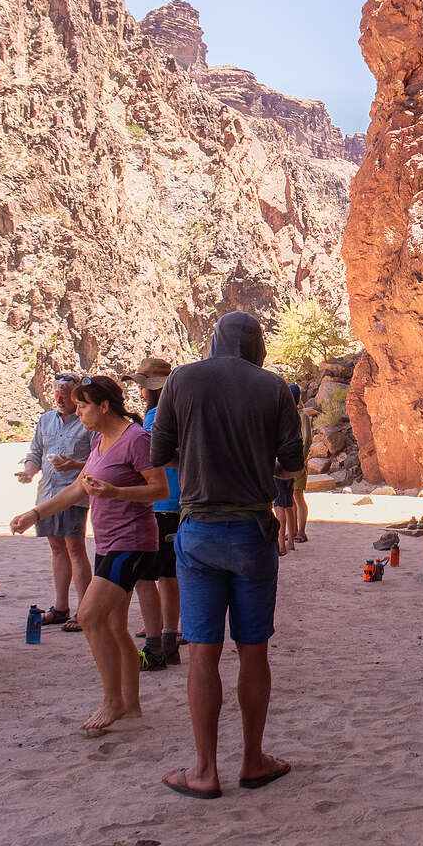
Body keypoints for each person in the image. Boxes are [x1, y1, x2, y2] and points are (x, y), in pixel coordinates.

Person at [150, 311, 303, 799]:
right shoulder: (274, 387)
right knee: (253, 650)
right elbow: (293, 465)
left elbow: (160, 453)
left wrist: (197, 457)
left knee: (202, 653)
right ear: (256, 344)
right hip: (254, 530)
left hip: (198, 531)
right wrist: (256, 461)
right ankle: (254, 760)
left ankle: (204, 770)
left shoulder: (182, 380)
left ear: (214, 341)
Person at [10, 376, 167, 732]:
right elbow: (80, 487)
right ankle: (131, 704)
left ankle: (112, 701)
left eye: (83, 406)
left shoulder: (136, 440)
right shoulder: (99, 439)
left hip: (134, 542)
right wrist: (35, 513)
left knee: (89, 616)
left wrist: (115, 492)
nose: (78, 412)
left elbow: (159, 488)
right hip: (108, 542)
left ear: (104, 406)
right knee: (114, 626)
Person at [16, 370, 94, 632]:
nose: (59, 398)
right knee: (57, 549)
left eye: (65, 394)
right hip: (47, 493)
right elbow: (36, 452)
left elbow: (98, 460)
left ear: (75, 395)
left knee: (75, 549)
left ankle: (84, 611)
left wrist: (74, 464)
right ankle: (61, 607)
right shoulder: (46, 420)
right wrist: (28, 471)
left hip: (73, 494)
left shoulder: (87, 421)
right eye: (56, 393)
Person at [123, 357, 182, 671]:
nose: (140, 390)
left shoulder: (157, 417)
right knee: (168, 575)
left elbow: (151, 459)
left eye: (142, 384)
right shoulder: (173, 412)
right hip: (175, 502)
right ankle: (169, 639)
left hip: (163, 504)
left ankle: (158, 643)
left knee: (154, 575)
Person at [291, 384, 314, 543]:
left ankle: (301, 531)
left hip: (297, 462)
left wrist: (301, 460)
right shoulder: (287, 416)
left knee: (297, 496)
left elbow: (307, 440)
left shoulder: (302, 416)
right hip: (287, 463)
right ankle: (292, 531)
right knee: (290, 498)